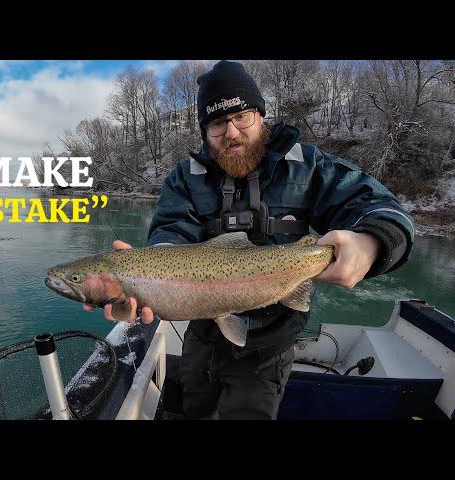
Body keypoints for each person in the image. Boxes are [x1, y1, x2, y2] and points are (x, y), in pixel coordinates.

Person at [84, 60, 415, 419]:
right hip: (204, 335)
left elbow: (382, 209)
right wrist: (150, 276)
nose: (231, 132)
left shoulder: (308, 166)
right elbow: (171, 232)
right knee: (193, 411)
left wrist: (372, 242)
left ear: (261, 115)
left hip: (272, 342)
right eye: (216, 123)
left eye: (241, 116)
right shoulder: (185, 177)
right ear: (205, 131)